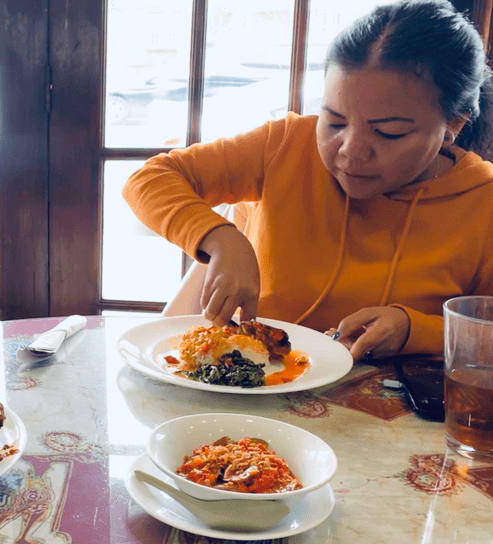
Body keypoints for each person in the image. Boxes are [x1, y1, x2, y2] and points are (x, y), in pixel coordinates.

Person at [123, 0, 493, 362]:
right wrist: (219, 239)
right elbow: (150, 178)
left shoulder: (483, 203)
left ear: (453, 127)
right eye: (334, 121)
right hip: (251, 392)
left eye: (389, 133)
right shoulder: (285, 146)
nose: (351, 150)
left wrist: (417, 331)